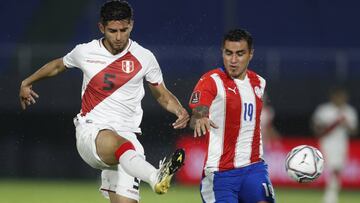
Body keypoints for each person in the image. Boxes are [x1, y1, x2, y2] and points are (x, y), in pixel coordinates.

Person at [19, 1, 189, 202]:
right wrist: (27, 82)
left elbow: (161, 94)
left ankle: (151, 174)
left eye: (124, 30)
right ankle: (155, 176)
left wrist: (180, 110)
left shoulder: (145, 57)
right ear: (101, 27)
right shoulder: (85, 51)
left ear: (131, 25)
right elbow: (58, 65)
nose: (118, 37)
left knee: (128, 163)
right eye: (112, 31)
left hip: (129, 144)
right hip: (92, 132)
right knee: (124, 146)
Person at [189, 28, 275, 203]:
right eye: (228, 53)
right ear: (222, 52)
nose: (233, 60)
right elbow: (199, 110)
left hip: (254, 168)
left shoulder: (259, 82)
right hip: (221, 174)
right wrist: (201, 117)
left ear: (251, 54)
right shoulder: (211, 80)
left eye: (240, 54)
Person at [311, 86, 358, 203]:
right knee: (331, 168)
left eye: (343, 97)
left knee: (337, 169)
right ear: (333, 97)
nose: (341, 99)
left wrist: (345, 124)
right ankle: (330, 196)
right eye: (338, 97)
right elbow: (315, 127)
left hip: (341, 143)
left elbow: (354, 131)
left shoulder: (349, 111)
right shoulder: (324, 110)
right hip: (326, 142)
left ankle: (331, 195)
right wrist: (330, 125)